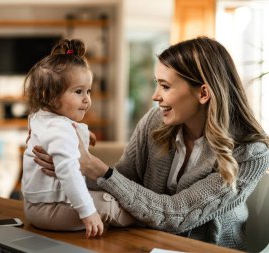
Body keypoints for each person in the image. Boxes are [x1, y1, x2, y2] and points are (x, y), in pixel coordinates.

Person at [32, 36, 269, 250]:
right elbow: (124, 180)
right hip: (148, 242)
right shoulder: (155, 121)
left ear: (203, 93)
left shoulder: (251, 152)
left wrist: (97, 169)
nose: (155, 96)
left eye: (165, 86)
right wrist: (69, 167)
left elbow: (177, 216)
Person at [22, 38, 135, 238]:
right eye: (78, 91)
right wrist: (88, 213)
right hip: (52, 209)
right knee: (108, 204)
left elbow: (62, 130)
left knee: (101, 197)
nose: (87, 99)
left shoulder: (41, 118)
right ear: (49, 95)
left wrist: (83, 134)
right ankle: (141, 220)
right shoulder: (59, 129)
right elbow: (69, 172)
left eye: (88, 91)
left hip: (36, 206)